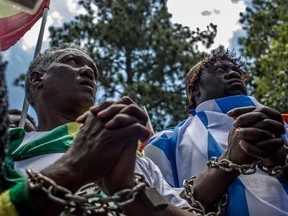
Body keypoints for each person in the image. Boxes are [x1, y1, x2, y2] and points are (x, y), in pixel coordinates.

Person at [0, 44, 198, 216]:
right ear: (37, 79)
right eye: (72, 61)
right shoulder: (10, 148)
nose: (88, 72)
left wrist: (129, 190)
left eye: (94, 73)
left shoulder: (129, 155)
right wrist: (73, 168)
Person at [144, 49, 288, 216]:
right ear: (194, 90)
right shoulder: (165, 142)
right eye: (220, 69)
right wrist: (229, 162)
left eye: (237, 71)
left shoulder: (283, 125)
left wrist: (281, 158)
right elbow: (155, 206)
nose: (233, 73)